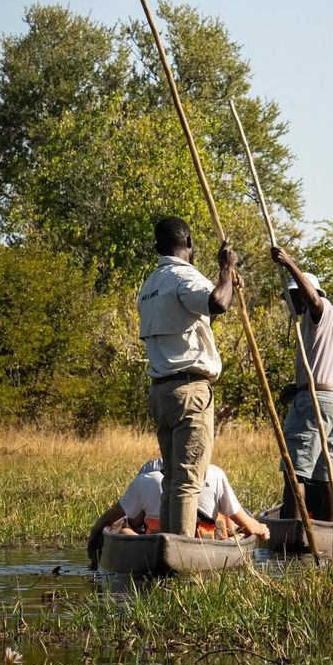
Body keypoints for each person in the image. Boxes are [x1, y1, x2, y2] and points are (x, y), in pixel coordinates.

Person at [137, 217, 241, 537]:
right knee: (187, 483)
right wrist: (225, 269)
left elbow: (198, 322)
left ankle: (167, 546)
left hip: (162, 392)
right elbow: (217, 303)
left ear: (157, 247)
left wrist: (227, 286)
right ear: (189, 242)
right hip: (189, 391)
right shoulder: (184, 276)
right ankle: (180, 553)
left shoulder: (149, 286)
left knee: (172, 479)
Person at [271, 245, 333, 521]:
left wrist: (289, 262)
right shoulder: (309, 324)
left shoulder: (321, 310)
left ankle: (296, 533)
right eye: (290, 297)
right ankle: (330, 531)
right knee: (325, 473)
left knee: (294, 471)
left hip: (318, 401)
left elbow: (313, 300)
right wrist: (296, 387)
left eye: (296, 295)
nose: (294, 301)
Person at [86, 459, 270, 562]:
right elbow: (249, 527)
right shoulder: (215, 474)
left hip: (153, 550)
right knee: (228, 521)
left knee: (122, 526)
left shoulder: (146, 480)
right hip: (203, 551)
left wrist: (98, 533)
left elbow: (108, 520)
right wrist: (261, 528)